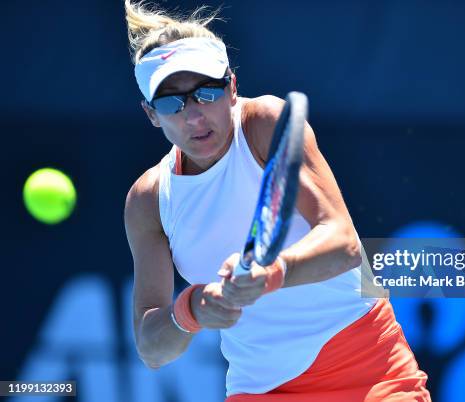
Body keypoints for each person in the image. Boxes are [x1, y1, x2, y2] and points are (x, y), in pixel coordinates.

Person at [123, 1, 431, 400]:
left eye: (207, 92)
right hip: (260, 389)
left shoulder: (265, 124)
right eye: (171, 103)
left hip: (368, 365)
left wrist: (270, 275)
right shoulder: (148, 200)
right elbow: (151, 348)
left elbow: (343, 243)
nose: (195, 116)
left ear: (232, 88)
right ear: (150, 114)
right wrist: (192, 310)